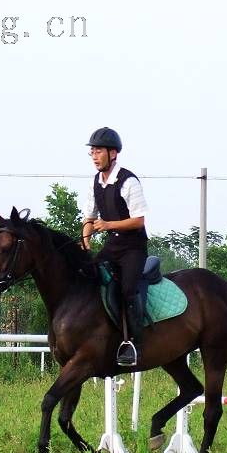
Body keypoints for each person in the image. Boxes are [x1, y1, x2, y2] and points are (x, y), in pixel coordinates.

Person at [82, 127, 149, 366]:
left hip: (133, 247)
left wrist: (109, 223)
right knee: (88, 277)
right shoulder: (95, 182)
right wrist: (85, 239)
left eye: (98, 151)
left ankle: (135, 344)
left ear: (113, 153)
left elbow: (139, 220)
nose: (94, 156)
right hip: (113, 245)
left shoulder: (128, 181)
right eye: (92, 152)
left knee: (128, 289)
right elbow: (89, 217)